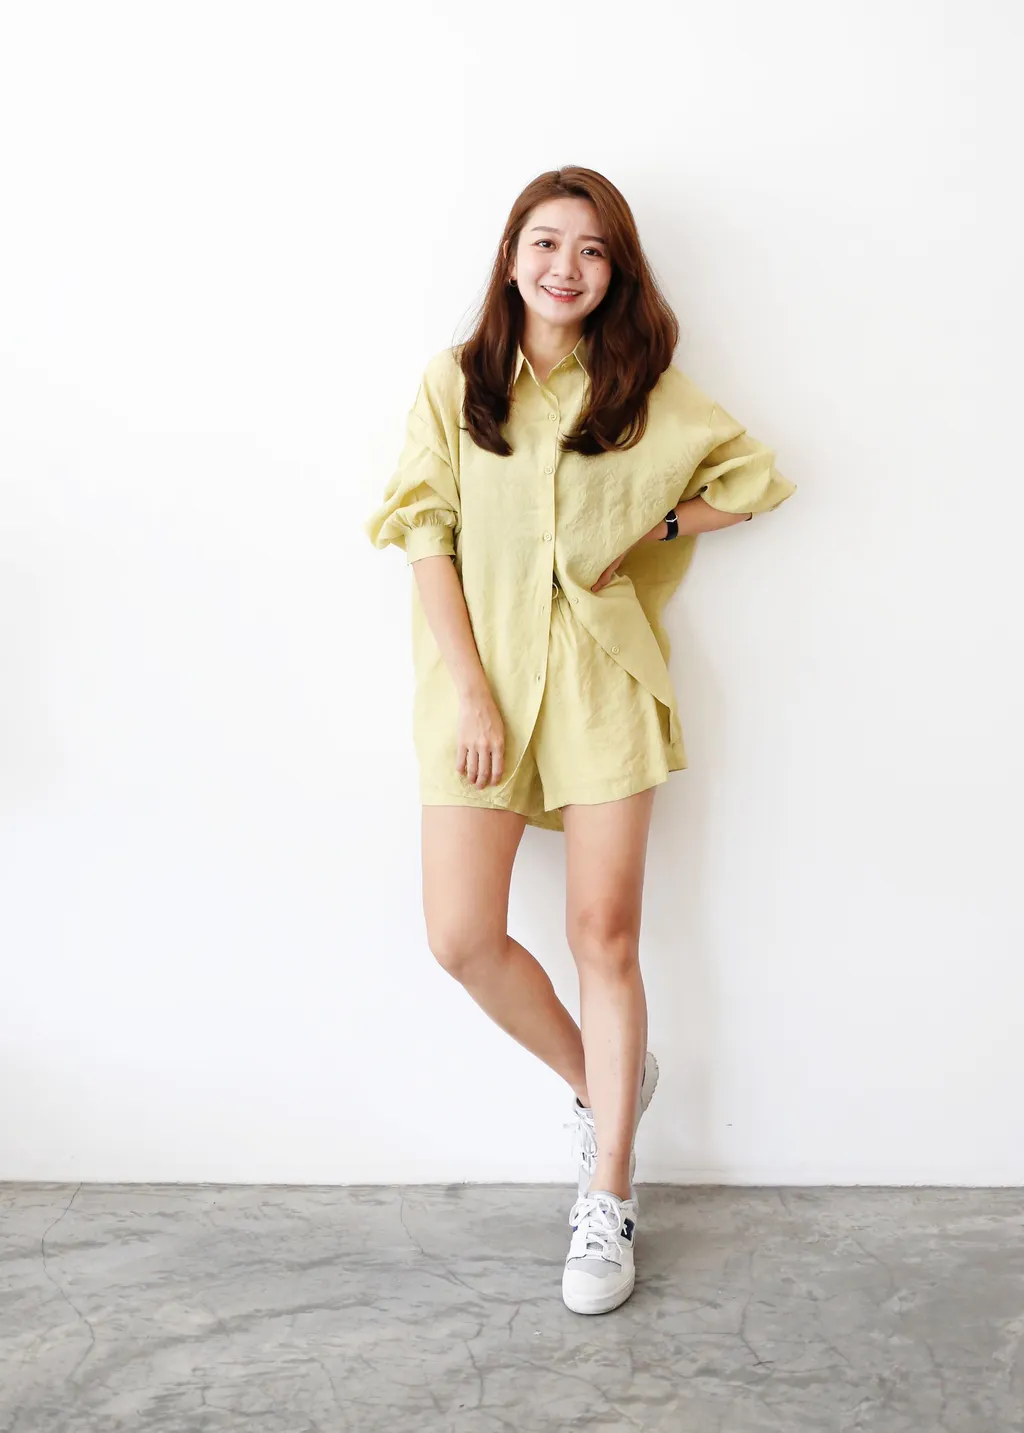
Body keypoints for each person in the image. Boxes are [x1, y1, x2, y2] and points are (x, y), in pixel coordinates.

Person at [365, 166, 796, 1316]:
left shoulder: (640, 391)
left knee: (602, 935)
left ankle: (607, 1186)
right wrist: (472, 695)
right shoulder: (456, 384)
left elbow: (753, 478)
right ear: (512, 257)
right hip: (480, 694)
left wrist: (656, 524)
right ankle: (604, 1081)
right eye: (547, 242)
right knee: (461, 935)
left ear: (616, 273)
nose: (567, 266)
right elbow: (423, 538)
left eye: (593, 249)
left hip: (603, 685)